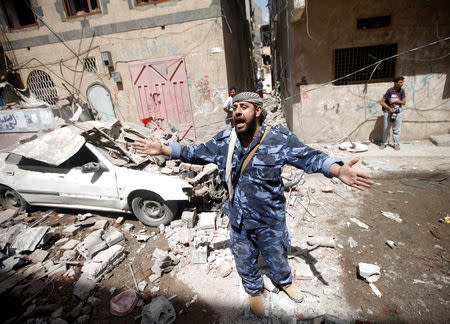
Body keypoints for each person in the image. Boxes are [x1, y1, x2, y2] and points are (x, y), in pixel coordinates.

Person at [132, 92, 374, 316]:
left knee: (277, 254)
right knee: (244, 258)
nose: (237, 111)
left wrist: (338, 170)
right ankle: (254, 291)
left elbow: (310, 157)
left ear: (257, 111)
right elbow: (194, 152)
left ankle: (284, 282)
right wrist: (163, 148)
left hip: (270, 219)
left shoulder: (279, 138)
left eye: (244, 107)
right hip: (239, 218)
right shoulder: (225, 141)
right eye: (234, 107)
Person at [380, 76, 406, 151]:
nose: (402, 84)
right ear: (395, 83)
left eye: (402, 82)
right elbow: (382, 102)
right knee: (386, 128)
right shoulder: (390, 91)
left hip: (398, 112)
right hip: (388, 112)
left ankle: (396, 144)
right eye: (400, 82)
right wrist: (389, 108)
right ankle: (385, 143)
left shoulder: (402, 91)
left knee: (397, 129)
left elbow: (404, 102)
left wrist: (395, 101)